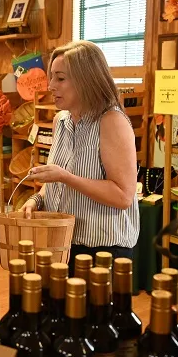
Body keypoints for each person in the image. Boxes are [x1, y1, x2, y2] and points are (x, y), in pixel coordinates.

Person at [21, 41, 139, 268]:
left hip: (103, 249)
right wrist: (37, 198)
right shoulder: (61, 121)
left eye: (60, 78)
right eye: (51, 77)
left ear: (87, 80)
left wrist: (66, 177)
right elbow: (56, 178)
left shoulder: (111, 122)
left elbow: (123, 196)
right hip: (63, 242)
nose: (51, 86)